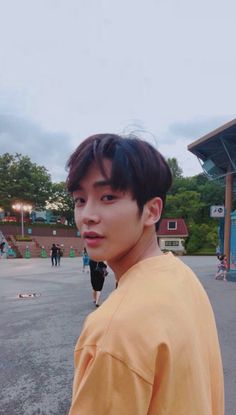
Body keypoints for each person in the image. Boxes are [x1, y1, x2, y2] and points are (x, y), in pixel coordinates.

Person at [66, 133, 224, 415]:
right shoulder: (181, 276)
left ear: (151, 211)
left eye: (108, 197)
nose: (87, 215)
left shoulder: (113, 330)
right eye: (80, 200)